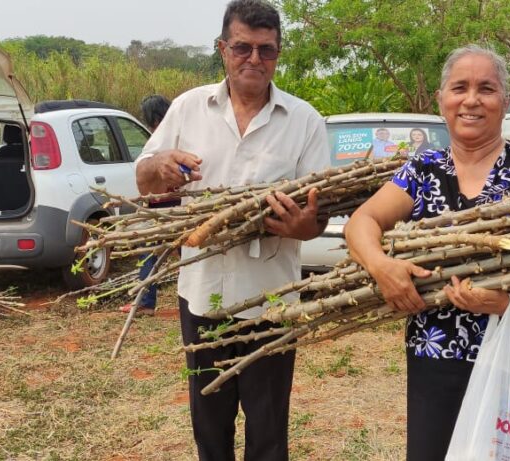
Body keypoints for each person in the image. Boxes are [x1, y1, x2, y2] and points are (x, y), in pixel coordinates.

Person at [344, 45, 510, 461]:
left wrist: (509, 302)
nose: (471, 100)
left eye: (485, 89)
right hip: (438, 350)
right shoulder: (422, 169)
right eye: (459, 88)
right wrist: (380, 266)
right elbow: (362, 221)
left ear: (504, 102)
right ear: (441, 99)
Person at [134, 1, 330, 460]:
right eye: (242, 48)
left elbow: (319, 215)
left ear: (279, 53)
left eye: (267, 50)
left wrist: (304, 226)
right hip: (202, 295)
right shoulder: (187, 108)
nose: (254, 60)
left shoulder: (304, 121)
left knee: (267, 433)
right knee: (209, 426)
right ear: (222, 49)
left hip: (271, 302)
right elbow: (142, 180)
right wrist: (158, 165)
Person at [119, 94, 173, 316]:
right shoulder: (181, 132)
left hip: (165, 206)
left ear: (154, 119)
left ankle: (145, 303)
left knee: (149, 253)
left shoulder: (161, 138)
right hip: (175, 205)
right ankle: (146, 302)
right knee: (182, 252)